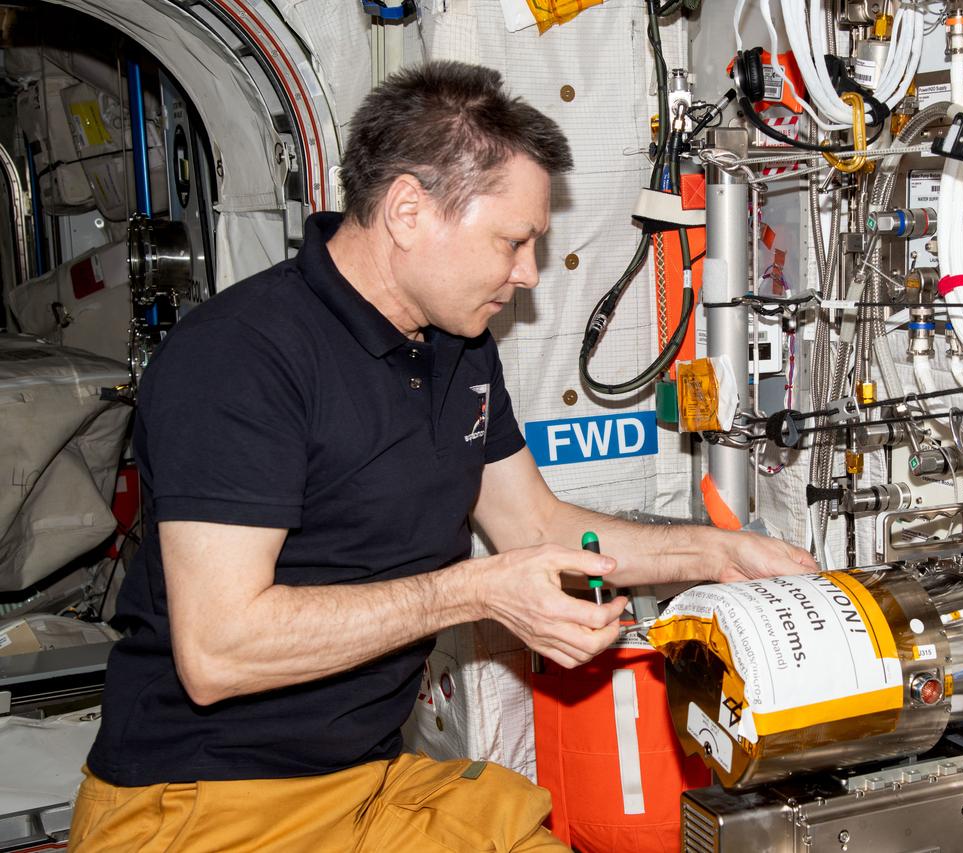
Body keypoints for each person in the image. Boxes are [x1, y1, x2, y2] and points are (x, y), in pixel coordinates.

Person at [70, 61, 817, 851]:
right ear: (406, 211)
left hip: (369, 783)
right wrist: (476, 591)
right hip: (199, 799)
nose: (527, 275)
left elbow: (536, 524)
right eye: (513, 241)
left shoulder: (458, 346)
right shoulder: (241, 356)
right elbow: (217, 649)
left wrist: (716, 550)